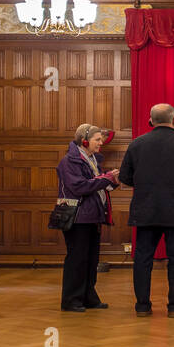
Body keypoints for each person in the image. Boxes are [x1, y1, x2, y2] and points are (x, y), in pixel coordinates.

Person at [118, 103, 174, 317]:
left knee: (142, 259)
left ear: (150, 121)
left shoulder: (137, 144)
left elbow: (124, 176)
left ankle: (142, 306)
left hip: (145, 211)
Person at [56, 123, 119, 312]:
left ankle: (88, 297)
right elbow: (79, 187)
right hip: (77, 217)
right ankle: (71, 300)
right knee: (77, 259)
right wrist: (105, 178)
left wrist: (111, 181)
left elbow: (97, 184)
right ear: (84, 141)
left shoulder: (92, 159)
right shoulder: (68, 161)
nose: (101, 143)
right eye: (97, 140)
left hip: (91, 216)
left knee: (91, 259)